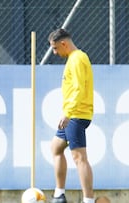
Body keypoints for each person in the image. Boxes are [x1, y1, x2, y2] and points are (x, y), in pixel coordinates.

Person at [48, 28, 94, 203]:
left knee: (79, 157)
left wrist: (68, 113)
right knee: (56, 147)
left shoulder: (77, 59)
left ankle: (88, 200)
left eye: (55, 48)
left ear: (63, 44)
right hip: (72, 114)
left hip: (76, 115)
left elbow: (78, 88)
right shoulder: (73, 59)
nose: (54, 52)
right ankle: (59, 194)